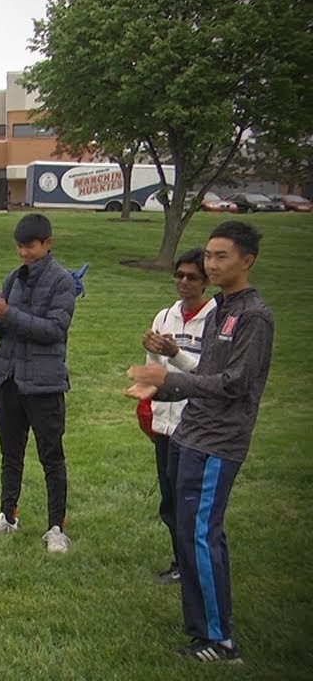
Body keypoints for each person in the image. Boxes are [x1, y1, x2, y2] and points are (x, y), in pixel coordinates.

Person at [127, 221, 273, 664]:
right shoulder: (222, 310)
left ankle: (219, 640)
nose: (210, 264)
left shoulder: (254, 316)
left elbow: (236, 383)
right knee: (193, 532)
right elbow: (202, 374)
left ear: (247, 261)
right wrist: (160, 387)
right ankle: (206, 628)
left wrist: (168, 378)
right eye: (208, 256)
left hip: (218, 440)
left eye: (220, 256)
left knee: (199, 536)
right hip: (192, 431)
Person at [0, 212, 76, 553]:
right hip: (8, 379)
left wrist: (9, 314)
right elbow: (8, 330)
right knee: (10, 454)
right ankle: (7, 516)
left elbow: (54, 330)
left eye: (30, 247)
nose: (24, 254)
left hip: (44, 384)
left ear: (48, 243)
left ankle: (56, 528)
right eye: (19, 247)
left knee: (51, 456)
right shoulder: (12, 279)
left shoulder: (62, 282)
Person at [138, 248, 215, 584]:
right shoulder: (164, 316)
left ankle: (194, 565)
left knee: (191, 502)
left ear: (206, 281)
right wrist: (150, 363)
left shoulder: (215, 319)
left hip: (196, 424)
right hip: (165, 423)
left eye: (192, 277)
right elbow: (154, 369)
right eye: (179, 275)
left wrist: (176, 353)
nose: (183, 282)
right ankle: (180, 563)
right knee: (169, 499)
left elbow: (211, 376)